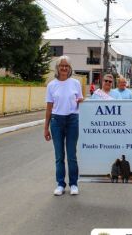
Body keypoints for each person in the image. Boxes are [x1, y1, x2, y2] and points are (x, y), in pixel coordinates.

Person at [44, 55, 83, 196]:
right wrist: (46, 128)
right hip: (56, 122)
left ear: (70, 68)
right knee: (59, 156)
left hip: (72, 120)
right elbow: (49, 108)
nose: (64, 68)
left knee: (72, 155)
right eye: (62, 65)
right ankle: (60, 184)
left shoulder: (76, 83)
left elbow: (80, 101)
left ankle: (73, 184)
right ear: (57, 68)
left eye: (67, 65)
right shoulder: (51, 85)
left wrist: (82, 101)